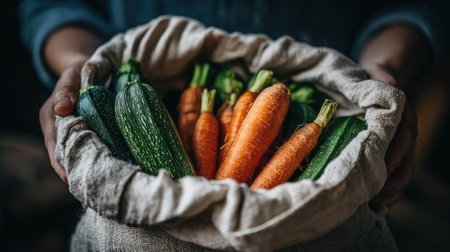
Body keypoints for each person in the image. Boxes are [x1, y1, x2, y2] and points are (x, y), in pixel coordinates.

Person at [19, 0, 443, 250]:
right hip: (148, 81)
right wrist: (78, 63)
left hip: (332, 82)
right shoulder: (141, 101)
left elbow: (411, 5)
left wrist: (384, 71)